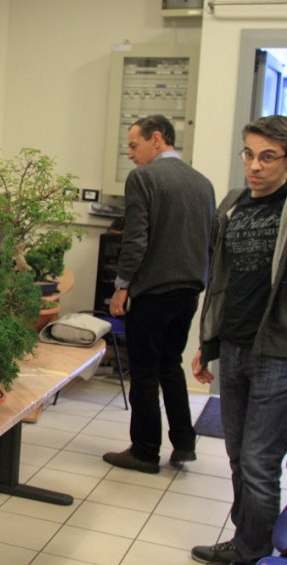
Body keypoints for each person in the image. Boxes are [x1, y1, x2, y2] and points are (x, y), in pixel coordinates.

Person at [190, 115, 287, 565]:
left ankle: (253, 552)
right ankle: (247, 542)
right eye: (249, 154)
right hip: (233, 345)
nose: (255, 166)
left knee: (259, 461)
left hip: (279, 354)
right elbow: (221, 282)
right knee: (236, 454)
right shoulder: (233, 204)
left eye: (268, 157)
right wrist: (207, 344)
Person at [102, 114, 216, 474]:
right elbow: (209, 239)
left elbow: (135, 240)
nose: (130, 154)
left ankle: (145, 451)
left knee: (145, 371)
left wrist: (121, 287)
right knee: (170, 365)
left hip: (152, 291)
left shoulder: (144, 178)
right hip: (189, 290)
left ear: (156, 138)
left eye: (134, 146)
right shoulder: (203, 183)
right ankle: (184, 444)